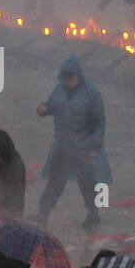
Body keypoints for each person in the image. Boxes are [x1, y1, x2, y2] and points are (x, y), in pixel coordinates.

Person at [34, 55, 106, 229]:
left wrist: (96, 144)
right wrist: (43, 109)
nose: (68, 81)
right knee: (55, 180)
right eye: (65, 78)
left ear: (79, 76)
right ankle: (43, 213)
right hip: (61, 145)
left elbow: (99, 121)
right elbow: (51, 105)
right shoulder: (59, 90)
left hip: (83, 146)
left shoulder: (92, 93)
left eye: (71, 78)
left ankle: (93, 213)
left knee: (87, 181)